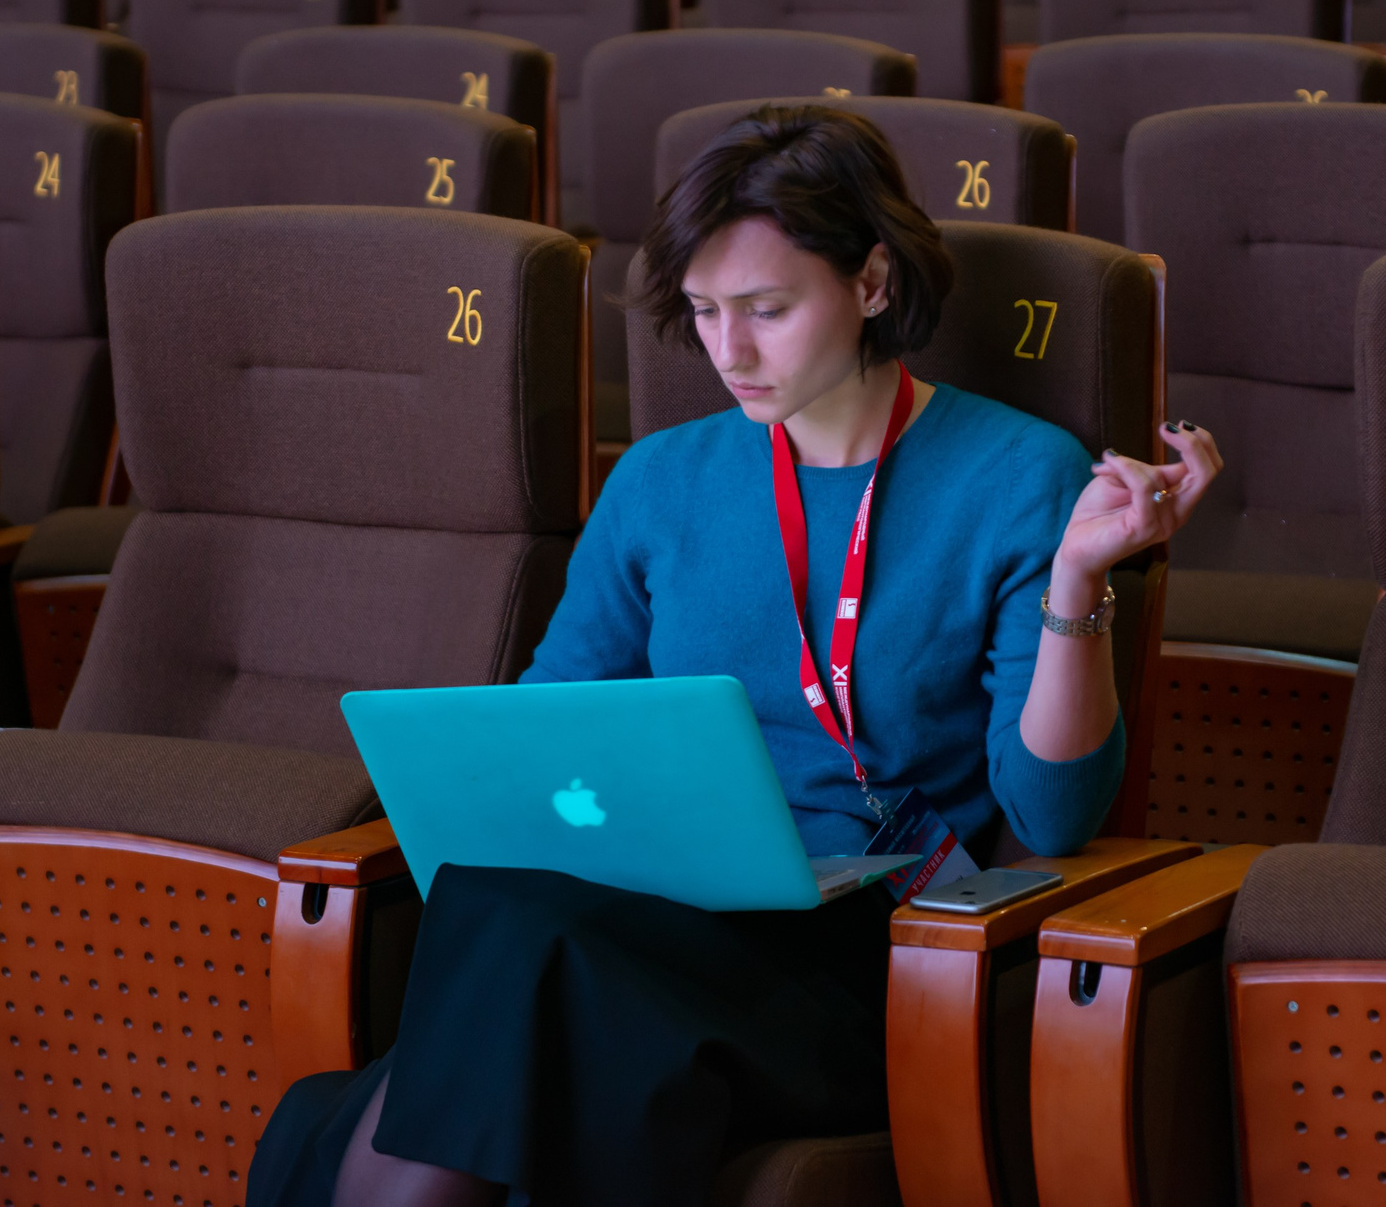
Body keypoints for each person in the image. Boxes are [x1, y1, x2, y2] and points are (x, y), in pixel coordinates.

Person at [247, 104, 1221, 1207]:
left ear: (870, 283)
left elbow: (1050, 815)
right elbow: (541, 730)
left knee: (497, 984)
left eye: (766, 308)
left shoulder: (1016, 474)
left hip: (864, 952)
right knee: (507, 909)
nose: (730, 350)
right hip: (645, 922)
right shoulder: (663, 479)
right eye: (705, 311)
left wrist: (1078, 580)